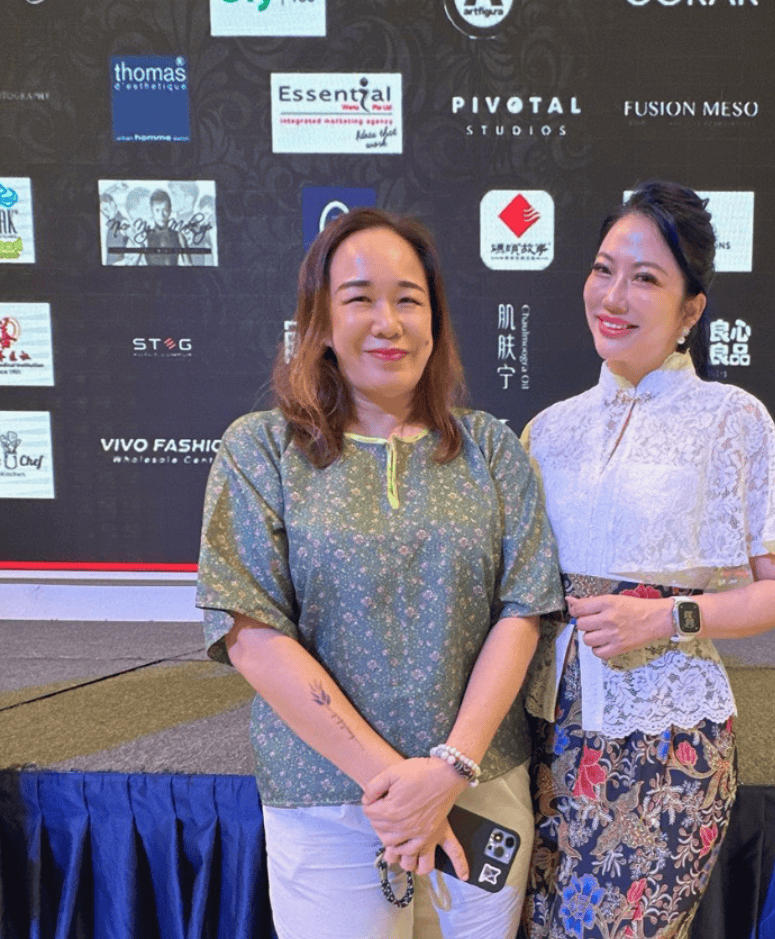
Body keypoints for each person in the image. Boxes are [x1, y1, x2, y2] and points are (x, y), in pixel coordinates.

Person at [196, 208, 564, 939]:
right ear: (321, 321)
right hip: (326, 797)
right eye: (360, 298)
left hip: (481, 787)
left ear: (435, 320)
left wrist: (448, 771)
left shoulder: (491, 448)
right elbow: (250, 631)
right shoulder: (261, 449)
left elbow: (523, 611)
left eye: (409, 300)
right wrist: (396, 789)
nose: (388, 322)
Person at [522, 181, 775, 938]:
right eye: (603, 270)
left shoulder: (732, 420)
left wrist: (665, 617)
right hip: (539, 736)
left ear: (691, 310)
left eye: (645, 279)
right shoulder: (547, 430)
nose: (613, 296)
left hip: (664, 748)